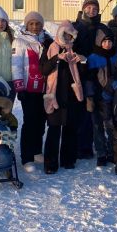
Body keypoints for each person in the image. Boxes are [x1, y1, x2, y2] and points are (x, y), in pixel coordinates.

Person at [40, 20, 85, 174]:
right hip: (55, 94)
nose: (67, 37)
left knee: (70, 128)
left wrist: (82, 60)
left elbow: (83, 73)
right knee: (54, 129)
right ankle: (50, 163)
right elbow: (44, 70)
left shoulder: (75, 49)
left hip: (72, 94)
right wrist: (57, 58)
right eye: (64, 34)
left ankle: (68, 159)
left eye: (69, 35)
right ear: (59, 34)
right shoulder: (51, 48)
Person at [11, 11, 53, 171]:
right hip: (28, 88)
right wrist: (19, 86)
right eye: (32, 24)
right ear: (27, 25)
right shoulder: (20, 41)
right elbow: (16, 65)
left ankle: (36, 151)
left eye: (38, 24)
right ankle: (26, 157)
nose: (35, 27)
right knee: (30, 122)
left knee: (41, 121)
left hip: (44, 88)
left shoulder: (47, 40)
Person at [74, 0, 111, 159]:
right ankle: (83, 146)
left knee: (95, 110)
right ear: (83, 9)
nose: (91, 11)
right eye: (88, 8)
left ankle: (100, 145)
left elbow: (110, 44)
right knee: (82, 111)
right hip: (79, 72)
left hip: (98, 72)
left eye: (95, 8)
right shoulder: (76, 27)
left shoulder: (102, 27)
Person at [84, 28, 117, 167]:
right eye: (105, 41)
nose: (108, 44)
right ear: (99, 42)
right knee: (98, 126)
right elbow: (89, 79)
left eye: (110, 41)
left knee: (111, 126)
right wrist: (90, 97)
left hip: (112, 97)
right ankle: (101, 153)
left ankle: (111, 152)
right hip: (97, 97)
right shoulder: (93, 57)